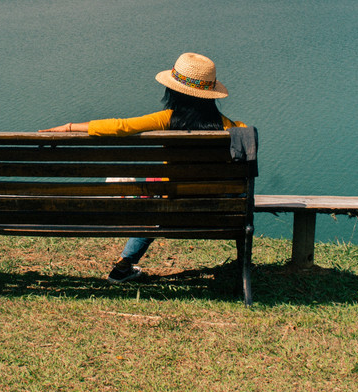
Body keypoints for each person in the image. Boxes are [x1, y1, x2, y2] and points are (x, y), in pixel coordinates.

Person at [41, 52, 245, 284]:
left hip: (168, 210)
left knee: (156, 200)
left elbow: (121, 126)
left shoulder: (166, 120)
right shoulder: (236, 129)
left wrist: (69, 127)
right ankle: (243, 267)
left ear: (173, 91)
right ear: (211, 96)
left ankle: (123, 266)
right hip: (219, 213)